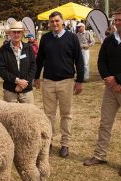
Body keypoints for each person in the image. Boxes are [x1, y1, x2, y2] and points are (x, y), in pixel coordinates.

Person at [83, 7, 121, 177]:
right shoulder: (110, 40)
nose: (116, 23)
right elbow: (102, 61)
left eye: (120, 20)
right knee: (105, 123)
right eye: (114, 20)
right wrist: (110, 80)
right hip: (111, 89)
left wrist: (118, 79)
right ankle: (99, 155)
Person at [34, 11, 84, 158]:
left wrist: (79, 81)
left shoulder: (72, 38)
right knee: (48, 115)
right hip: (48, 82)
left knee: (66, 115)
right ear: (49, 23)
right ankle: (48, 142)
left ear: (62, 21)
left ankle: (65, 144)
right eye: (52, 22)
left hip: (66, 82)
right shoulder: (45, 38)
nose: (54, 24)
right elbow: (40, 60)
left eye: (57, 21)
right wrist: (36, 77)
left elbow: (79, 60)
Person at [0, 21, 36, 104]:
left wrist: (24, 83)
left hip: (26, 90)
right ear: (10, 33)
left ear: (22, 34)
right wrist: (17, 81)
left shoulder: (28, 48)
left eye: (19, 32)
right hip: (10, 90)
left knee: (29, 115)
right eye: (14, 32)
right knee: (10, 116)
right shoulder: (3, 49)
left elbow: (33, 66)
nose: (16, 34)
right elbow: (1, 70)